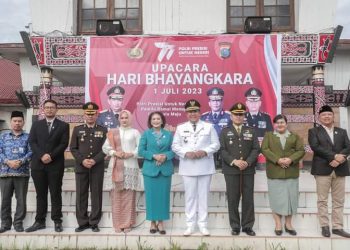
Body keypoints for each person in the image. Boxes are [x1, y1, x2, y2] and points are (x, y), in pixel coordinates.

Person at [172, 99, 220, 236]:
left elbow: (216, 145)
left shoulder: (209, 126)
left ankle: (203, 225)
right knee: (190, 197)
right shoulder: (180, 128)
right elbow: (175, 146)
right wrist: (186, 153)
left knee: (203, 196)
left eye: (195, 111)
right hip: (188, 166)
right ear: (186, 113)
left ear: (200, 113)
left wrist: (204, 151)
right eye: (190, 112)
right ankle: (190, 225)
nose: (193, 114)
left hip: (205, 165)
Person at [26, 100, 69, 233]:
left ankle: (57, 220)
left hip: (55, 164)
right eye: (47, 107)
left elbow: (63, 144)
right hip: (38, 165)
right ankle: (40, 221)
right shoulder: (36, 125)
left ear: (56, 109)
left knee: (55, 192)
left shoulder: (63, 125)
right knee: (41, 194)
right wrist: (41, 155)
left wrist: (50, 155)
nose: (49, 110)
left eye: (52, 107)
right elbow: (32, 142)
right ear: (43, 109)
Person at [308, 105, 350, 238]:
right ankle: (324, 226)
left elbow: (348, 147)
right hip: (322, 169)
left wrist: (339, 160)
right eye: (324, 115)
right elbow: (315, 147)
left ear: (333, 116)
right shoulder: (314, 131)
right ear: (319, 118)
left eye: (329, 114)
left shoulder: (342, 131)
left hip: (340, 169)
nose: (327, 117)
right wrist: (333, 156)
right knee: (322, 200)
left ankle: (337, 227)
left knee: (339, 200)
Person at [220, 102, 260, 236]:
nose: (238, 117)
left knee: (248, 198)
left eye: (241, 114)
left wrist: (247, 162)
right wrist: (234, 161)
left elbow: (256, 149)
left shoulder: (251, 130)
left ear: (244, 116)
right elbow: (222, 150)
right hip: (231, 170)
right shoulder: (225, 131)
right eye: (236, 115)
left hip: (248, 169)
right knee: (233, 198)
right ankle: (235, 225)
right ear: (231, 116)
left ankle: (248, 226)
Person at [261, 114, 305, 236]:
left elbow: (301, 151)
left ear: (286, 123)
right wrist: (278, 160)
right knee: (276, 199)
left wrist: (290, 160)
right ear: (274, 125)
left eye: (282, 122)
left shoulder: (294, 136)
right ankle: (278, 224)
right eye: (277, 123)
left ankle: (288, 224)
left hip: (291, 172)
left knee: (291, 199)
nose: (280, 124)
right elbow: (264, 150)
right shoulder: (268, 136)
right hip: (275, 172)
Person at [70, 102, 108, 233]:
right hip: (81, 167)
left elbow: (106, 149)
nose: (90, 116)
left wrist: (94, 160)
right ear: (84, 115)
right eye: (88, 114)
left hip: (97, 166)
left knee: (96, 194)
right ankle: (82, 222)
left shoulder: (103, 130)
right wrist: (83, 160)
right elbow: (73, 148)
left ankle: (94, 222)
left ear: (97, 115)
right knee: (81, 194)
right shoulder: (77, 129)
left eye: (93, 114)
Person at [102, 110, 140, 233]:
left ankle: (127, 223)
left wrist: (131, 154)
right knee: (116, 196)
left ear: (130, 119)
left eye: (126, 117)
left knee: (129, 197)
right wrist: (115, 152)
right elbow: (105, 147)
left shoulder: (135, 132)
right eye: (122, 118)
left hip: (130, 166)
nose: (124, 120)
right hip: (115, 166)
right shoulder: (113, 132)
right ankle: (117, 223)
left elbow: (140, 148)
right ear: (119, 119)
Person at [138, 112, 174, 235]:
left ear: (162, 121)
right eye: (153, 119)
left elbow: (173, 150)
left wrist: (165, 156)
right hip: (150, 170)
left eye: (158, 118)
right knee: (151, 197)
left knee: (163, 197)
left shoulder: (169, 134)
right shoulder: (146, 134)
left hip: (165, 170)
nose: (156, 121)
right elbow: (141, 151)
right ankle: (153, 222)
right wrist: (154, 156)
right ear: (150, 121)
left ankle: (161, 222)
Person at [0, 111, 32, 233]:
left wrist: (21, 161)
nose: (17, 123)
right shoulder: (3, 137)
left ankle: (18, 223)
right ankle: (5, 224)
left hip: (22, 173)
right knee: (5, 200)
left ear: (23, 122)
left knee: (21, 200)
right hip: (5, 173)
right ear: (10, 122)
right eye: (15, 121)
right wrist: (8, 162)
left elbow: (31, 152)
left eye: (19, 121)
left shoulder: (28, 137)